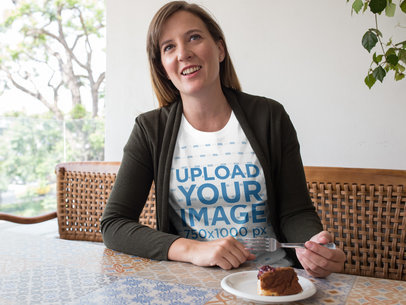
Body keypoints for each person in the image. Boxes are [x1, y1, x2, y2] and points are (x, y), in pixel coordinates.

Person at [101, 1, 345, 277]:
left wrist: (313, 247)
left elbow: (295, 211)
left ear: (219, 49)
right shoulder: (149, 130)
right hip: (190, 284)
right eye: (169, 47)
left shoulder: (270, 117)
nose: (183, 53)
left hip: (270, 279)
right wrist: (193, 249)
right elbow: (114, 224)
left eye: (194, 37)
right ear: (162, 67)